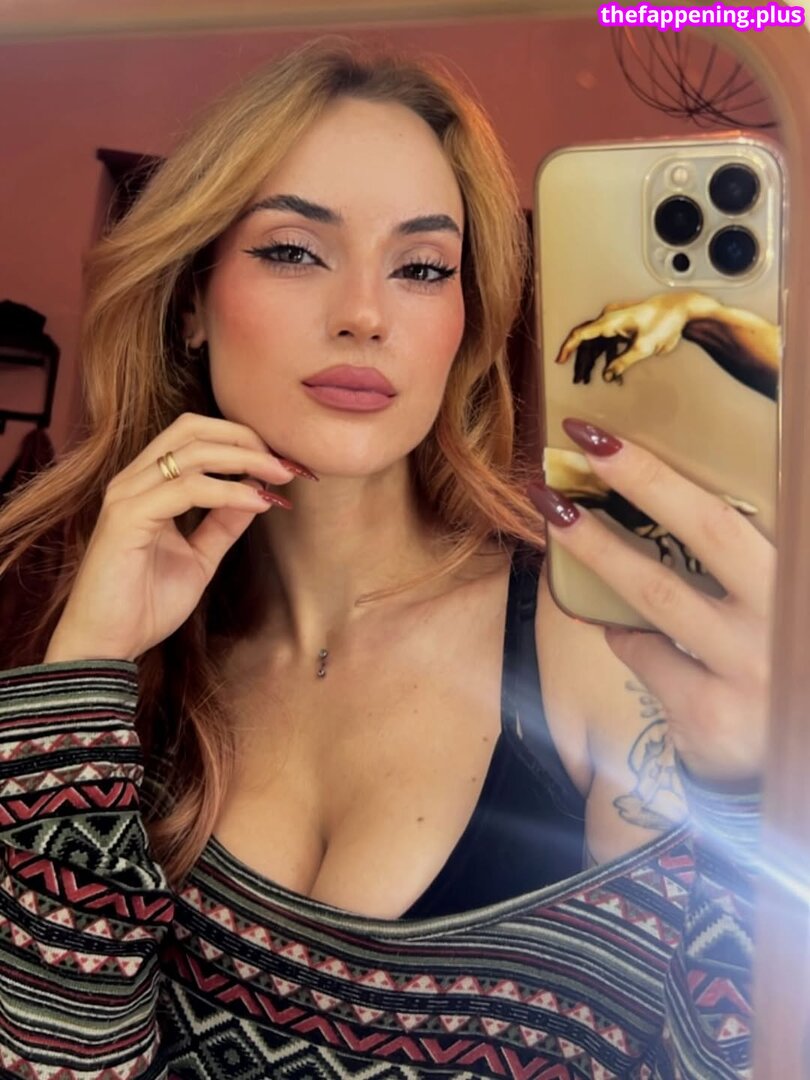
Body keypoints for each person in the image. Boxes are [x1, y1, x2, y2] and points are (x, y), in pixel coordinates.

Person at [0, 37, 770, 1079]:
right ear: (190, 303)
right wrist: (85, 673)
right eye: (293, 250)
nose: (364, 314)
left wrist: (758, 794)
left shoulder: (600, 647)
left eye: (421, 268)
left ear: (464, 320)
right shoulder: (116, 674)